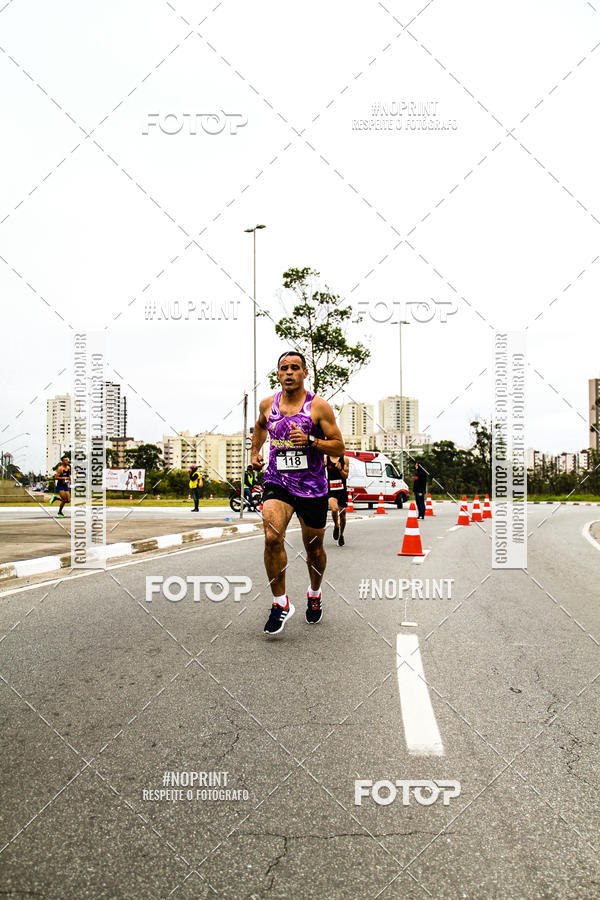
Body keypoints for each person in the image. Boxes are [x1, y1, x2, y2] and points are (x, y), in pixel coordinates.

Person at [251, 350, 345, 635]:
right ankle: (280, 603)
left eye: (295, 367)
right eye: (284, 368)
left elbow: (338, 446)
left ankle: (314, 593)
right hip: (277, 482)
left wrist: (311, 440)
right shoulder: (267, 404)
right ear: (278, 374)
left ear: (305, 373)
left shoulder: (318, 407)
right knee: (272, 538)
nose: (289, 372)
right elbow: (260, 427)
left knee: (314, 549)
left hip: (312, 487)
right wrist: (255, 452)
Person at [326, 453, 349, 546]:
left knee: (343, 516)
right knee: (334, 509)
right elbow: (318, 471)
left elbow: (346, 476)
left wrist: (340, 469)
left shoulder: (345, 459)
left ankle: (341, 535)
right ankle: (336, 525)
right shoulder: (326, 459)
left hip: (342, 491)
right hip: (331, 490)